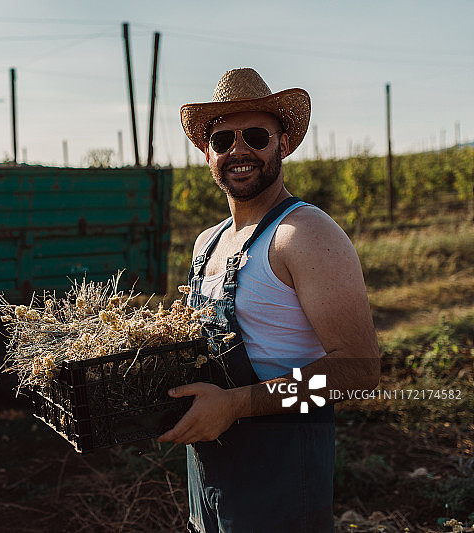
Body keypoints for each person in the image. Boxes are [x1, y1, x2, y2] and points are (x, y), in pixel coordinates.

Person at [157, 68, 380, 532]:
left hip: (282, 474)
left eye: (255, 135)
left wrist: (237, 404)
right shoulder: (207, 243)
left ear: (282, 143)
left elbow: (360, 372)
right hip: (212, 474)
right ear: (206, 154)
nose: (239, 150)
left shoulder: (303, 234)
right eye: (222, 140)